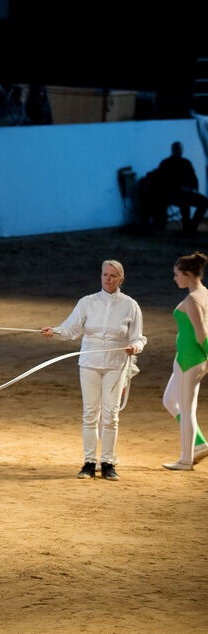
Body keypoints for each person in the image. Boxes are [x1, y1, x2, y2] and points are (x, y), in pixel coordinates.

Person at [41, 260, 146, 480]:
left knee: (111, 415)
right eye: (105, 275)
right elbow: (71, 329)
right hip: (89, 363)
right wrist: (55, 332)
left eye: (113, 276)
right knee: (90, 413)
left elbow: (138, 337)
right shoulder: (87, 302)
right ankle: (89, 462)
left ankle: (107, 462)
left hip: (115, 365)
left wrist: (135, 347)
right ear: (101, 276)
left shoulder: (130, 305)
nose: (108, 279)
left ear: (121, 279)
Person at [162, 252, 208, 470]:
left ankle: (186, 459)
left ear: (188, 275)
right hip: (190, 359)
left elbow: (201, 334)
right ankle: (199, 444)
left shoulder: (192, 299)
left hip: (190, 360)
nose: (175, 278)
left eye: (177, 274)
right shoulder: (204, 294)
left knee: (187, 409)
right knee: (170, 400)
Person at [156, 141, 208, 236]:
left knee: (205, 202)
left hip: (187, 192)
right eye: (176, 149)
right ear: (172, 150)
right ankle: (187, 228)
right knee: (185, 202)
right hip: (172, 194)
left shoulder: (186, 163)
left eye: (179, 149)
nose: (178, 151)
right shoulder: (166, 163)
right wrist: (176, 189)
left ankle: (192, 227)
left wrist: (193, 190)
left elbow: (194, 179)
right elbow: (161, 182)